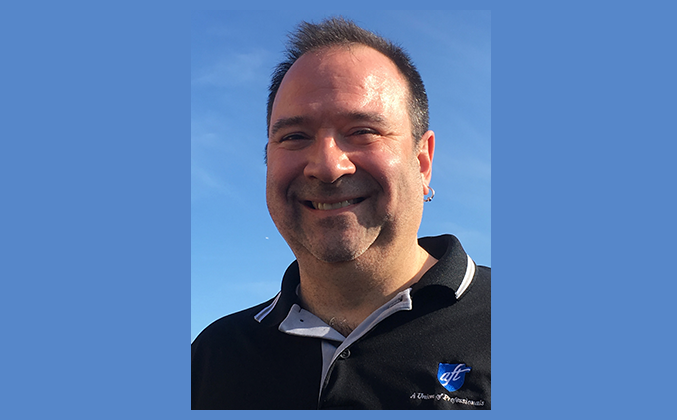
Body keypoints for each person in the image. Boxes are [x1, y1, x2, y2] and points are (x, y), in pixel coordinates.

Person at [191, 17, 490, 410]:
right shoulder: (211, 358)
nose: (328, 167)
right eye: (295, 136)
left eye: (363, 131)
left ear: (422, 162)